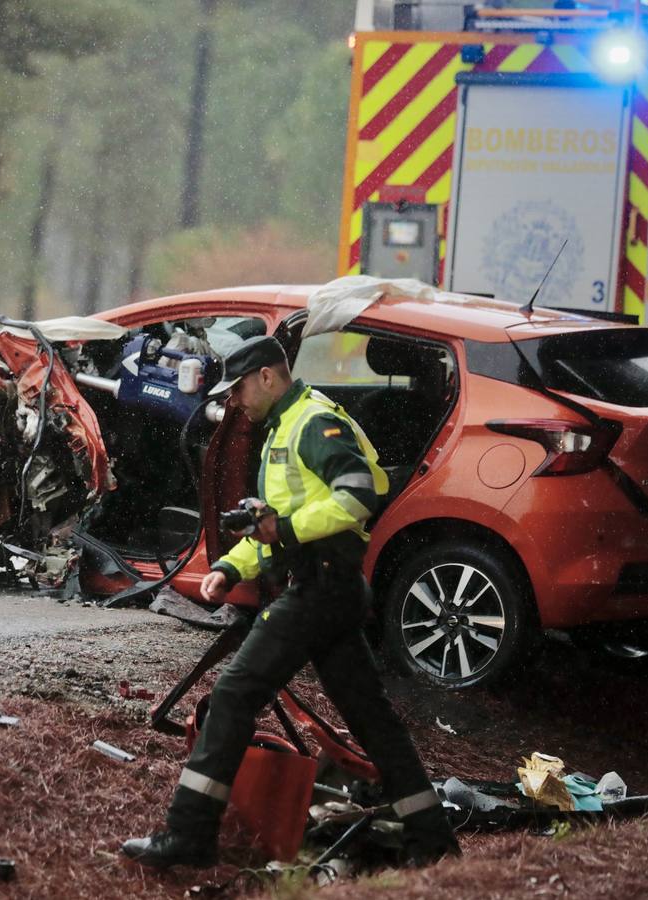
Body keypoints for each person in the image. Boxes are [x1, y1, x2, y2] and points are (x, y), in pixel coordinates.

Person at [122, 335, 459, 868]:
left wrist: (286, 530)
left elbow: (356, 497)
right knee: (372, 718)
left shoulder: (312, 423)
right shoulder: (285, 425)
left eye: (238, 390)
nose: (234, 402)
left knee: (232, 697)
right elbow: (276, 524)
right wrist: (231, 567)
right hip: (333, 589)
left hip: (317, 588)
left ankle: (188, 836)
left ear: (267, 377)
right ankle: (432, 838)